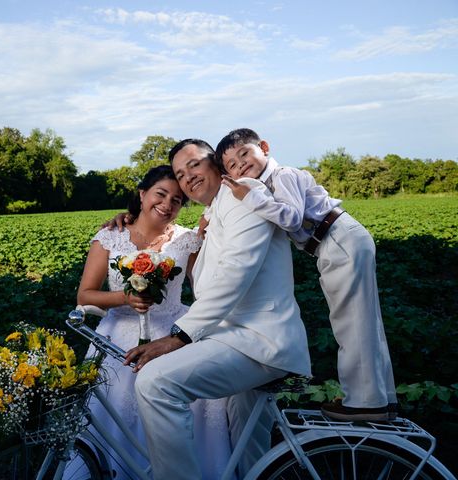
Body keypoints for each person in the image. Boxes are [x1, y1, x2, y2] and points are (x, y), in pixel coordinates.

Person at [125, 139, 311, 480]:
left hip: (260, 340)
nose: (188, 176)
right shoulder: (213, 214)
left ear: (216, 164)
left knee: (155, 383)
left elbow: (235, 274)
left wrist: (179, 337)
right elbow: (203, 277)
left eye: (194, 164)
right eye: (181, 174)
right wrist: (127, 222)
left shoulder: (244, 194)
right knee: (247, 448)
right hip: (236, 338)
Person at [214, 127, 397, 421]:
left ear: (264, 147)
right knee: (365, 318)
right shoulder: (269, 183)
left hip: (336, 237)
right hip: (336, 241)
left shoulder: (282, 175)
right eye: (232, 165)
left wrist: (249, 198)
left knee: (351, 319)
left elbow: (291, 217)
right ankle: (381, 398)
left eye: (244, 153)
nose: (241, 165)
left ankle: (364, 401)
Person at [76, 165, 233, 480]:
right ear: (142, 193)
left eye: (176, 200)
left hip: (175, 334)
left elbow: (205, 285)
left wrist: (211, 234)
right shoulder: (110, 236)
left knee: (182, 412)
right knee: (118, 414)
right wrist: (125, 298)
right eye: (160, 194)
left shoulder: (187, 241)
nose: (167, 204)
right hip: (118, 336)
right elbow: (85, 296)